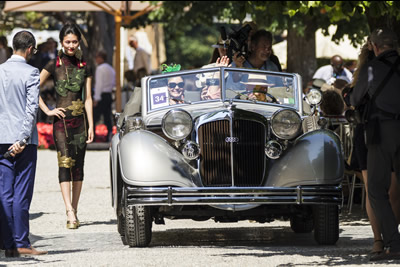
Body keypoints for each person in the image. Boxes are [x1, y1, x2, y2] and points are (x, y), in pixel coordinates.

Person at [350, 27, 400, 261]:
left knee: (376, 190)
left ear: (376, 47)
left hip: (381, 132)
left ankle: (393, 241)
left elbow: (355, 99)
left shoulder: (371, 68)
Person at [38, 22, 94, 230]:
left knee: (78, 166)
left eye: (74, 42)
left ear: (79, 42)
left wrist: (91, 125)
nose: (71, 45)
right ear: (61, 42)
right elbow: (33, 88)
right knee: (64, 163)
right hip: (60, 122)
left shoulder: (85, 65)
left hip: (80, 122)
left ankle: (75, 209)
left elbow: (88, 98)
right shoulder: (53, 65)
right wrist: (48, 110)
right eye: (67, 41)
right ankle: (68, 210)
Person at [0, 30, 47, 257]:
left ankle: (8, 243)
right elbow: (31, 109)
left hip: (0, 139)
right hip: (23, 141)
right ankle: (21, 242)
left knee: (4, 193)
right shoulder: (31, 73)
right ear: (30, 49)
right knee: (21, 193)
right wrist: (23, 138)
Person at [93, 50, 115, 142]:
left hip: (102, 95)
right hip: (108, 94)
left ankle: (92, 136)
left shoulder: (100, 69)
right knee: (107, 116)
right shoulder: (111, 68)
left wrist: (96, 98)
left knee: (94, 116)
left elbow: (99, 84)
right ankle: (109, 134)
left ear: (100, 58)